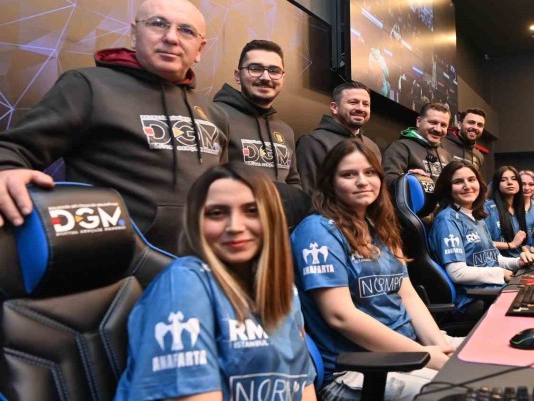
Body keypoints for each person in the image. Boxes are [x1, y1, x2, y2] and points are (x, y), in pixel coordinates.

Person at [0, 0, 228, 252]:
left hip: (199, 260)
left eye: (186, 30)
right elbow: (12, 149)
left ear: (200, 49)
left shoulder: (214, 114)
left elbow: (223, 188)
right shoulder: (87, 87)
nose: (171, 38)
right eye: (158, 24)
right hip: (112, 261)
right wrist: (5, 170)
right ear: (134, 34)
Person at [115, 164, 316, 401]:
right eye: (217, 213)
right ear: (196, 222)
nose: (235, 227)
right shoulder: (183, 283)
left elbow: (303, 389)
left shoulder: (284, 290)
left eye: (252, 211)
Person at [291, 140, 461, 401]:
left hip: (409, 348)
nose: (362, 181)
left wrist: (438, 344)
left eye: (370, 172)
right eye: (349, 174)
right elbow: (341, 316)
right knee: (469, 391)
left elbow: (407, 295)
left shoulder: (380, 225)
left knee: (493, 361)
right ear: (330, 182)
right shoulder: (317, 230)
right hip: (360, 369)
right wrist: (426, 356)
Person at [428, 160, 534, 316]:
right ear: (448, 188)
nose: (467, 186)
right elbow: (457, 273)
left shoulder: (476, 216)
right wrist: (501, 273)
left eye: (471, 180)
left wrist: (517, 262)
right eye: (458, 182)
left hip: (492, 290)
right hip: (474, 299)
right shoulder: (447, 220)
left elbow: (494, 258)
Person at [214, 39, 301, 187]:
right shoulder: (215, 116)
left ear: (282, 78)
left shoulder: (285, 131)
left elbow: (293, 181)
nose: (266, 77)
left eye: (274, 71)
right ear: (237, 76)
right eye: (255, 68)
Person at [296, 81, 381, 195]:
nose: (360, 108)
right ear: (334, 107)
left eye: (366, 104)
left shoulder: (372, 146)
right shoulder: (312, 142)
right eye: (353, 102)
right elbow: (309, 194)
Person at [382, 102, 453, 191]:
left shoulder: (446, 155)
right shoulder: (399, 148)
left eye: (443, 125)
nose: (438, 129)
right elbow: (386, 182)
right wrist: (409, 180)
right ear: (418, 121)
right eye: (433, 122)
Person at [483, 166, 530, 257]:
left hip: (518, 259)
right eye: (503, 180)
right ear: (497, 184)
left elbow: (518, 240)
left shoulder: (518, 207)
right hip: (498, 262)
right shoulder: (488, 208)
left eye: (514, 179)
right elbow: (483, 243)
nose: (510, 182)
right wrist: (511, 245)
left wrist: (525, 250)